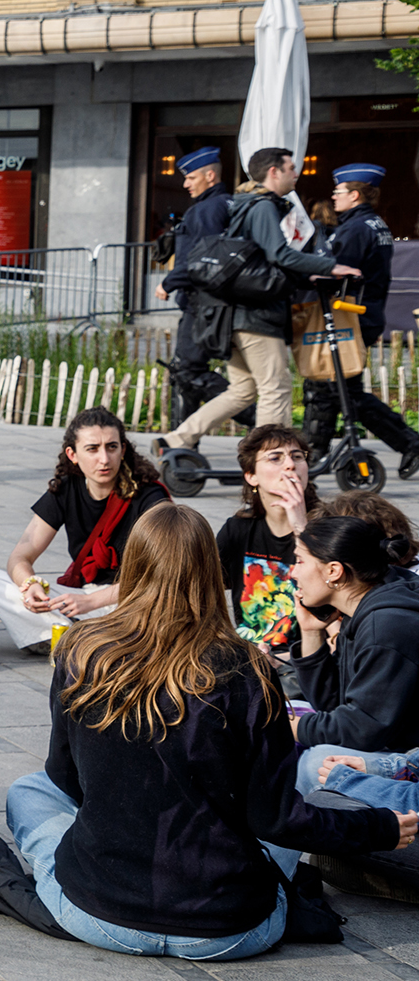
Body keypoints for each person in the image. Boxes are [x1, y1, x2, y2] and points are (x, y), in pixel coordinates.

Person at [7, 503, 411, 959]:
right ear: (209, 570)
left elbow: (66, 780)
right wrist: (377, 828)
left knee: (27, 791)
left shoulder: (81, 650)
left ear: (134, 565)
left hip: (99, 914)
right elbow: (274, 819)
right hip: (228, 928)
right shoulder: (249, 669)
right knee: (287, 810)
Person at [157, 147, 357, 454]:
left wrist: (306, 277)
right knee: (275, 388)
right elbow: (279, 255)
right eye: (291, 168)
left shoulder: (244, 205)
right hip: (256, 318)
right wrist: (329, 266)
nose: (296, 173)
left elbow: (260, 263)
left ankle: (176, 439)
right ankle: (272, 460)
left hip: (232, 316)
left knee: (243, 389)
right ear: (273, 172)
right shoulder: (262, 206)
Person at [0, 407, 169, 654]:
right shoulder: (66, 489)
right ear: (72, 454)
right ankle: (80, 637)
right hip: (83, 600)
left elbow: (163, 575)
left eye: (112, 447)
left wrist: (92, 601)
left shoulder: (151, 497)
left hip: (131, 601)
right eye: (92, 449)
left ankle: (68, 636)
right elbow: (21, 555)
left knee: (155, 612)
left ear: (123, 450)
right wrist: (29, 584)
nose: (104, 459)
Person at [288, 515, 419, 796]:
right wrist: (311, 633)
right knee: (301, 719)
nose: (292, 573)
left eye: (299, 561)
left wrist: (291, 726)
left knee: (316, 763)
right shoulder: (365, 604)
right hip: (395, 746)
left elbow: (362, 730)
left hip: (410, 759)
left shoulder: (386, 626)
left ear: (333, 570)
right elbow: (334, 704)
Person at [303, 164, 419, 478]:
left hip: (348, 316)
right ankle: (314, 453)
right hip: (361, 316)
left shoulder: (355, 229)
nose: (333, 196)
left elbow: (332, 271)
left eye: (338, 191)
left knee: (327, 386)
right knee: (340, 388)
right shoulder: (373, 223)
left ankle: (311, 455)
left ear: (354, 194)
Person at [215, 426, 319, 662]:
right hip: (250, 658)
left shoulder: (328, 526)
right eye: (275, 458)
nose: (290, 465)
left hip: (306, 662)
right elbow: (197, 585)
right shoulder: (238, 529)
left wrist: (301, 527)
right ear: (251, 476)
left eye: (297, 456)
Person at [154, 148, 238, 434]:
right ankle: (182, 441)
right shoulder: (228, 204)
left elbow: (201, 258)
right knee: (186, 371)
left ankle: (256, 417)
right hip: (216, 302)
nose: (186, 184)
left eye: (191, 177)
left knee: (188, 370)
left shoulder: (206, 209)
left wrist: (168, 282)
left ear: (210, 175)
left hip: (202, 303)